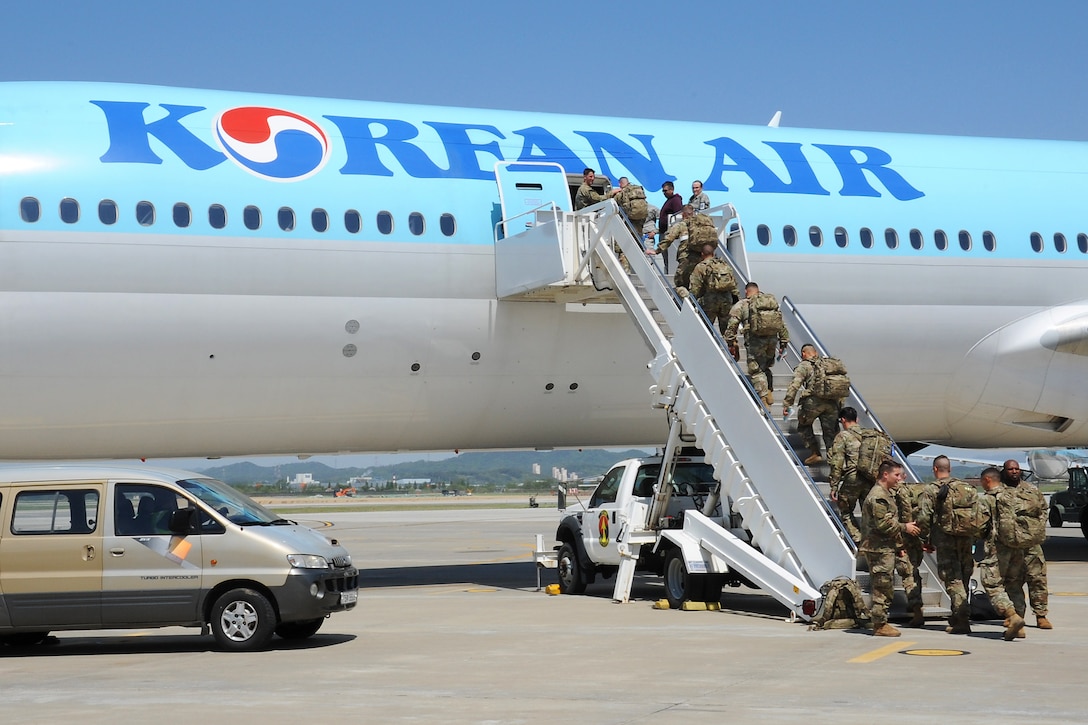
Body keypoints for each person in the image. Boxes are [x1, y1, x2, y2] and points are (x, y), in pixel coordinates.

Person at [917, 455, 979, 634]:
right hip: (966, 539)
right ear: (950, 469)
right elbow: (978, 514)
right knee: (965, 577)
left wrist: (924, 540)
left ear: (935, 469)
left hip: (946, 540)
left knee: (953, 579)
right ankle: (958, 613)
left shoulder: (932, 489)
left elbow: (924, 516)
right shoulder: (968, 488)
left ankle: (961, 618)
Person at [860, 460, 920, 637]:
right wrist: (905, 527)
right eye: (896, 475)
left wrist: (898, 545)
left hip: (885, 547)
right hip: (878, 549)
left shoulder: (885, 493)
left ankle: (881, 622)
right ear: (885, 474)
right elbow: (883, 525)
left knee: (885, 585)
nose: (899, 479)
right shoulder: (878, 496)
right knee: (882, 587)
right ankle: (879, 624)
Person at [1000, 459, 1052, 630]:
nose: (1014, 472)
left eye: (1016, 469)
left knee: (1037, 579)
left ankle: (1041, 615)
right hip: (1010, 545)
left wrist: (1037, 528)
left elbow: (1043, 510)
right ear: (1004, 471)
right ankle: (1017, 617)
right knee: (1012, 582)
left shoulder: (1032, 490)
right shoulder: (999, 492)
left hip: (1032, 544)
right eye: (1010, 469)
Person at [978, 466, 1028, 640]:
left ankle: (1012, 616)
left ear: (987, 480)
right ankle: (1020, 624)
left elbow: (980, 526)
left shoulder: (987, 499)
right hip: (1018, 546)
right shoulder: (1013, 495)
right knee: (1014, 584)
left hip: (997, 549)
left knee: (992, 584)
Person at [724, 282, 789, 408]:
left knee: (756, 370)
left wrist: (731, 342)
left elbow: (732, 324)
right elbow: (780, 323)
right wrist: (783, 343)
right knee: (766, 367)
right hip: (772, 341)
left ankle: (764, 401)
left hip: (755, 342)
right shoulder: (770, 302)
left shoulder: (743, 304)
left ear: (746, 291)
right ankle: (769, 390)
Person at [782, 344, 844, 465]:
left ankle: (815, 452)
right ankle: (836, 466)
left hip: (813, 403)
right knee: (830, 436)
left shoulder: (804, 365)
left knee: (804, 426)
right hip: (832, 403)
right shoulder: (829, 364)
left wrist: (787, 404)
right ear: (815, 352)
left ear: (803, 354)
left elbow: (795, 385)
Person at [647, 205, 717, 289]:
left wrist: (656, 251)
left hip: (686, 258)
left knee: (680, 282)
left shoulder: (681, 225)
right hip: (702, 257)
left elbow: (669, 238)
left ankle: (680, 301)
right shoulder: (701, 225)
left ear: (683, 214)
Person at [827, 406, 864, 544]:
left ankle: (857, 539)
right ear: (857, 419)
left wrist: (834, 486)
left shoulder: (843, 436)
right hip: (872, 479)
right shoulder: (869, 434)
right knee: (869, 512)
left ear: (843, 420)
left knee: (845, 509)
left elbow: (837, 462)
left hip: (853, 477)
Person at [687, 243, 737, 335]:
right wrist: (735, 300)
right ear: (713, 253)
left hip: (710, 301)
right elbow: (734, 285)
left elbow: (695, 288)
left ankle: (708, 347)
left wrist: (690, 302)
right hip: (726, 300)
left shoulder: (701, 266)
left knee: (706, 329)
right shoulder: (724, 265)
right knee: (727, 330)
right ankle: (732, 346)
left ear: (702, 254)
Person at [657, 181, 684, 272]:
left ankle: (670, 274)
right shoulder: (669, 200)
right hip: (663, 231)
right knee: (666, 258)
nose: (664, 193)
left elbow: (678, 215)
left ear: (671, 190)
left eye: (665, 191)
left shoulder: (676, 200)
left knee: (669, 258)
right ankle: (668, 272)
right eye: (663, 191)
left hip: (669, 233)